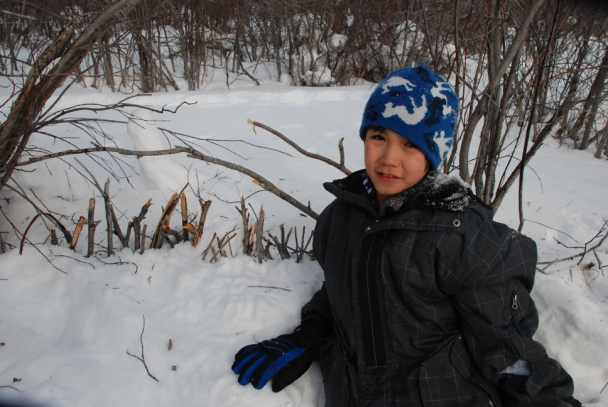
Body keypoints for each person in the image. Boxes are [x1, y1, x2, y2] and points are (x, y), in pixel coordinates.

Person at [231, 65, 580, 407]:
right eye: (378, 137)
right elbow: (340, 290)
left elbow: (505, 348)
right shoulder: (340, 219)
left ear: (433, 154)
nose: (389, 158)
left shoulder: (460, 237)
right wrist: (308, 335)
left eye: (410, 144)